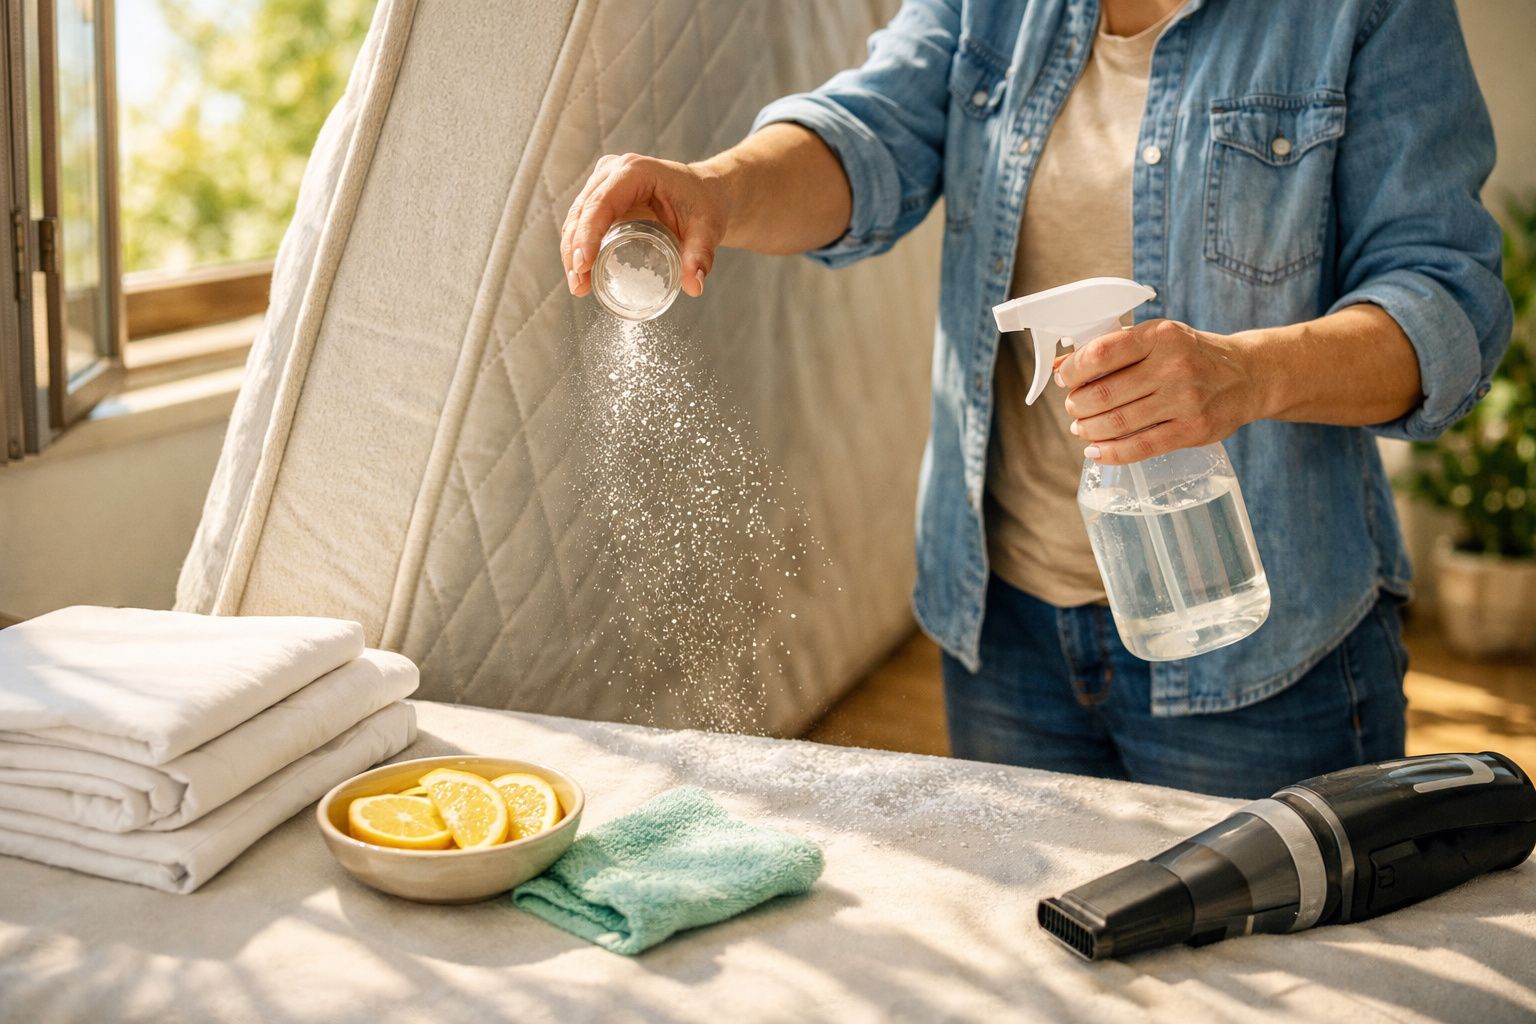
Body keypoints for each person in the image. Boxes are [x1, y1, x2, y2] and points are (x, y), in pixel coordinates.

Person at [558, 0, 1511, 798]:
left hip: (1261, 656)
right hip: (1008, 637)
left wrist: (1246, 374)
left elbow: (1446, 303)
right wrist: (714, 189)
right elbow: (870, 133)